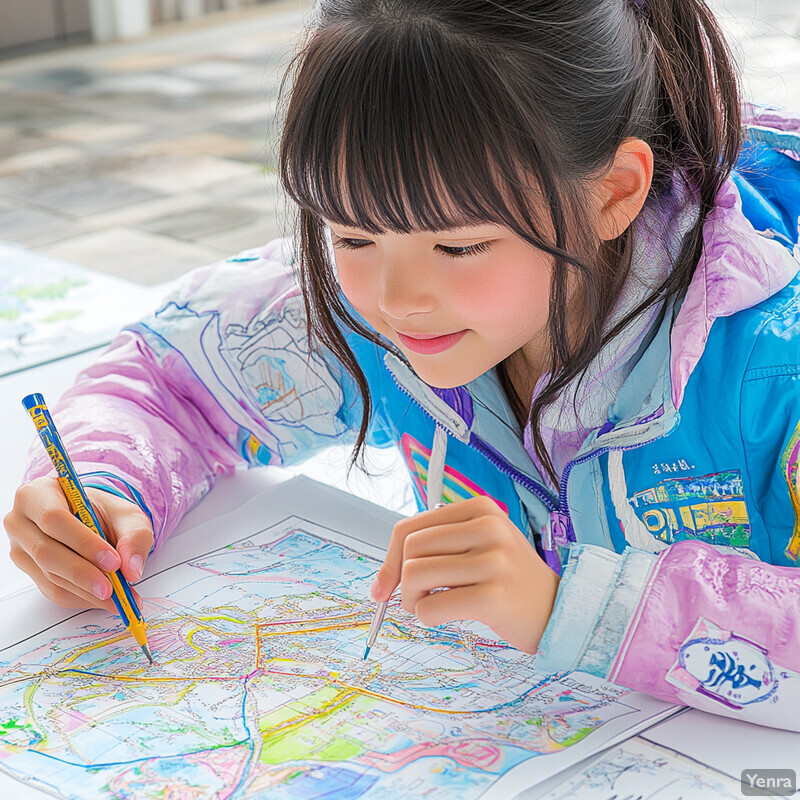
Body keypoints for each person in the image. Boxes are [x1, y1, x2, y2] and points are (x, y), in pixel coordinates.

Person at [5, 0, 800, 730]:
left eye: (459, 246)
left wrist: (573, 609)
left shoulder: (771, 357)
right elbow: (167, 382)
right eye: (350, 235)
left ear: (613, 193)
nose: (396, 298)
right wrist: (106, 485)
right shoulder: (381, 306)